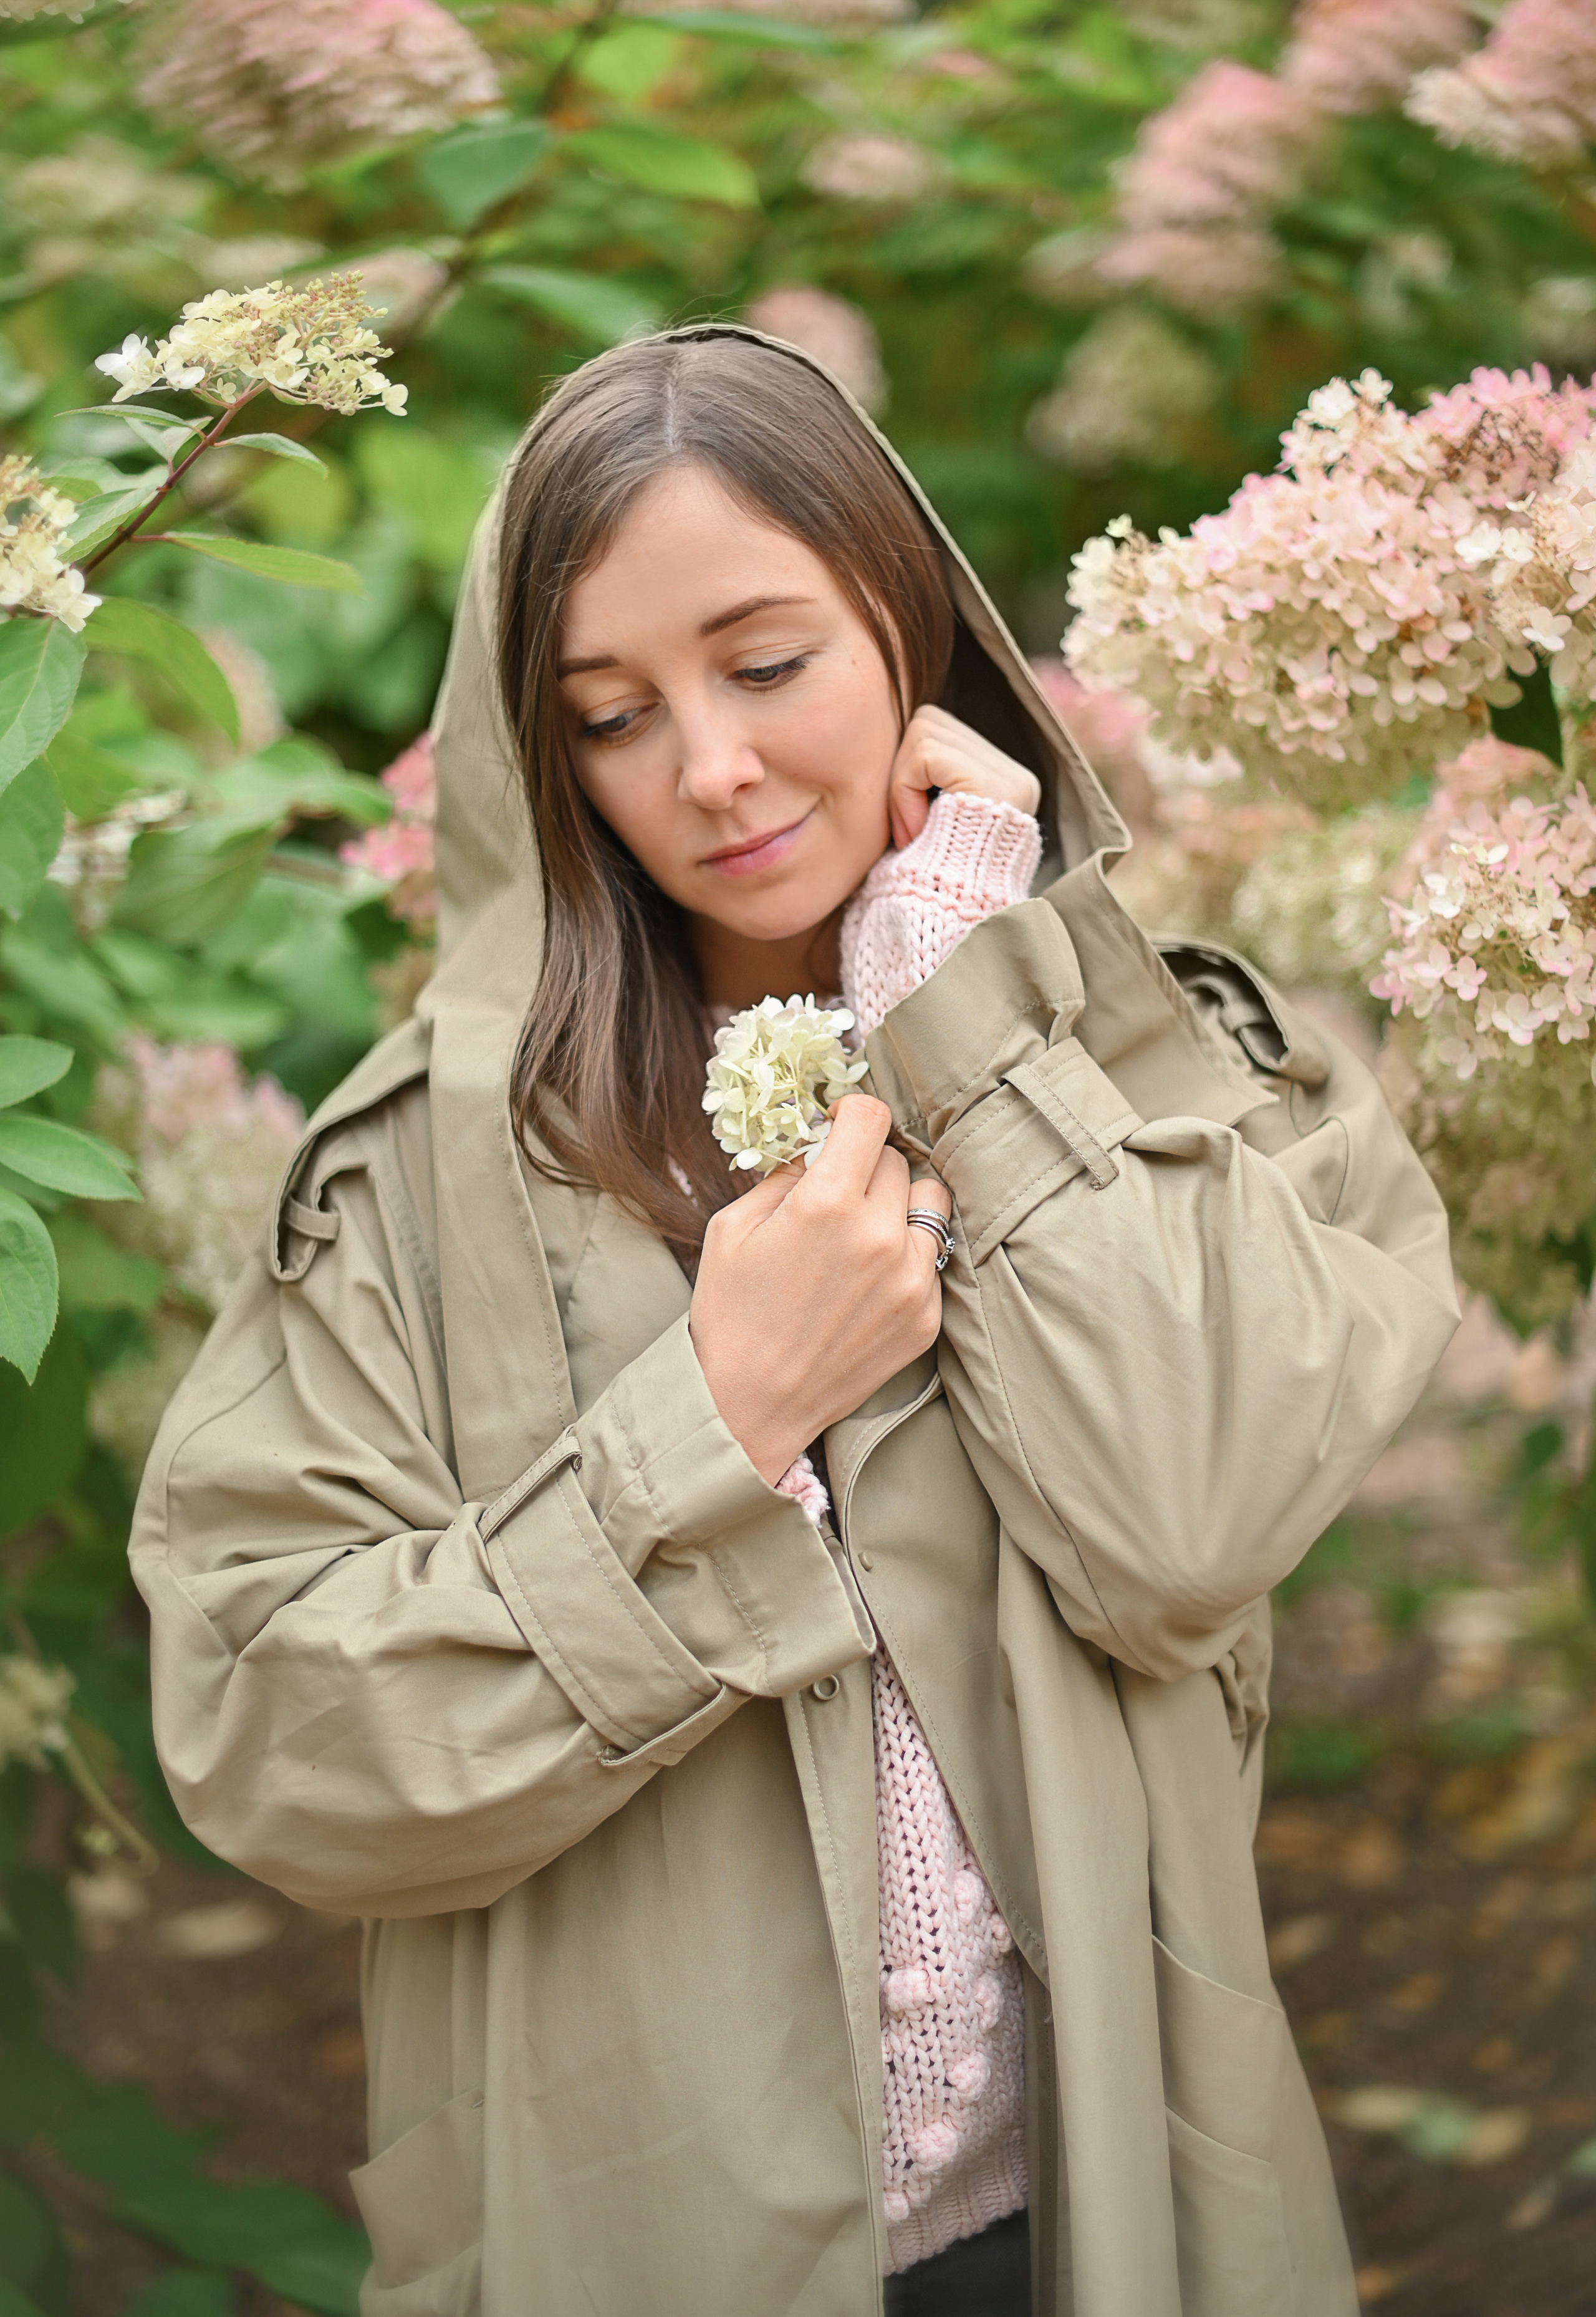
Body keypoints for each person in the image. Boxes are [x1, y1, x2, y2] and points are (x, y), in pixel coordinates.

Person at [130, 327, 1459, 2317]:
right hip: (633, 2246)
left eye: (766, 663)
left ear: (906, 620)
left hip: (1119, 2219)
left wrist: (970, 1025)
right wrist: (714, 1429)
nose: (714, 767)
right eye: (611, 714)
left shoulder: (1178, 1065)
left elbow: (1186, 1527)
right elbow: (268, 1733)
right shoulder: (416, 1179)